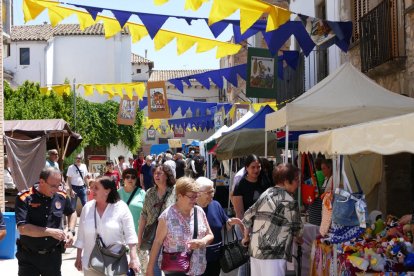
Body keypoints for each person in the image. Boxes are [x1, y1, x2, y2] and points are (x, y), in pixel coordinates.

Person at [241, 163, 303, 276]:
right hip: (275, 255)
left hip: (256, 251)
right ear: (285, 181)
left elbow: (247, 215)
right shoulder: (290, 201)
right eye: (296, 180)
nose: (298, 183)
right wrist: (299, 239)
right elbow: (297, 230)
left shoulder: (266, 193)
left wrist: (246, 237)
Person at [15, 167, 77, 276]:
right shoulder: (24, 197)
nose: (57, 189)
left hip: (53, 256)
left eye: (59, 185)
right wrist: (49, 231)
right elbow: (23, 229)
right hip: (28, 256)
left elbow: (72, 213)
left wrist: (71, 231)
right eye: (53, 186)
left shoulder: (61, 196)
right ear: (42, 181)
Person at [147, 177, 214, 276]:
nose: (194, 200)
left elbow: (210, 235)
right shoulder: (167, 216)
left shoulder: (199, 211)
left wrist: (202, 242)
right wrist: (150, 269)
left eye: (196, 196)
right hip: (175, 271)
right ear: (179, 195)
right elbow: (157, 242)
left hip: (198, 269)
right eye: (191, 196)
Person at [74, 176, 140, 275]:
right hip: (91, 264)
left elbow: (130, 235)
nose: (92, 190)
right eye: (92, 187)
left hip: (115, 264)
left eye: (96, 188)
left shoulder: (121, 207)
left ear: (107, 191)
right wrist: (78, 256)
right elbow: (81, 236)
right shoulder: (87, 208)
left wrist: (134, 258)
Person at [195, 177, 243, 276]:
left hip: (216, 257)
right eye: (209, 192)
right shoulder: (191, 209)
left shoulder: (215, 205)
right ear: (198, 193)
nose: (212, 194)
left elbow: (225, 226)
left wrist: (230, 222)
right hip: (196, 258)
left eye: (213, 191)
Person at [138, 164, 177, 276]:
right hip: (152, 236)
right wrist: (139, 237)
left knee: (170, 268)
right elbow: (144, 215)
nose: (156, 175)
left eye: (159, 173)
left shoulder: (175, 192)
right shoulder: (149, 193)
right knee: (154, 265)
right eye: (155, 173)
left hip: (171, 237)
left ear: (167, 176)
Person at [118, 168, 148, 275]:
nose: (130, 179)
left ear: (137, 179)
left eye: (133, 177)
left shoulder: (142, 193)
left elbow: (147, 214)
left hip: (139, 237)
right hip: (121, 238)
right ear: (123, 179)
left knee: (142, 269)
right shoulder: (117, 193)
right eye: (127, 177)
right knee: (124, 269)